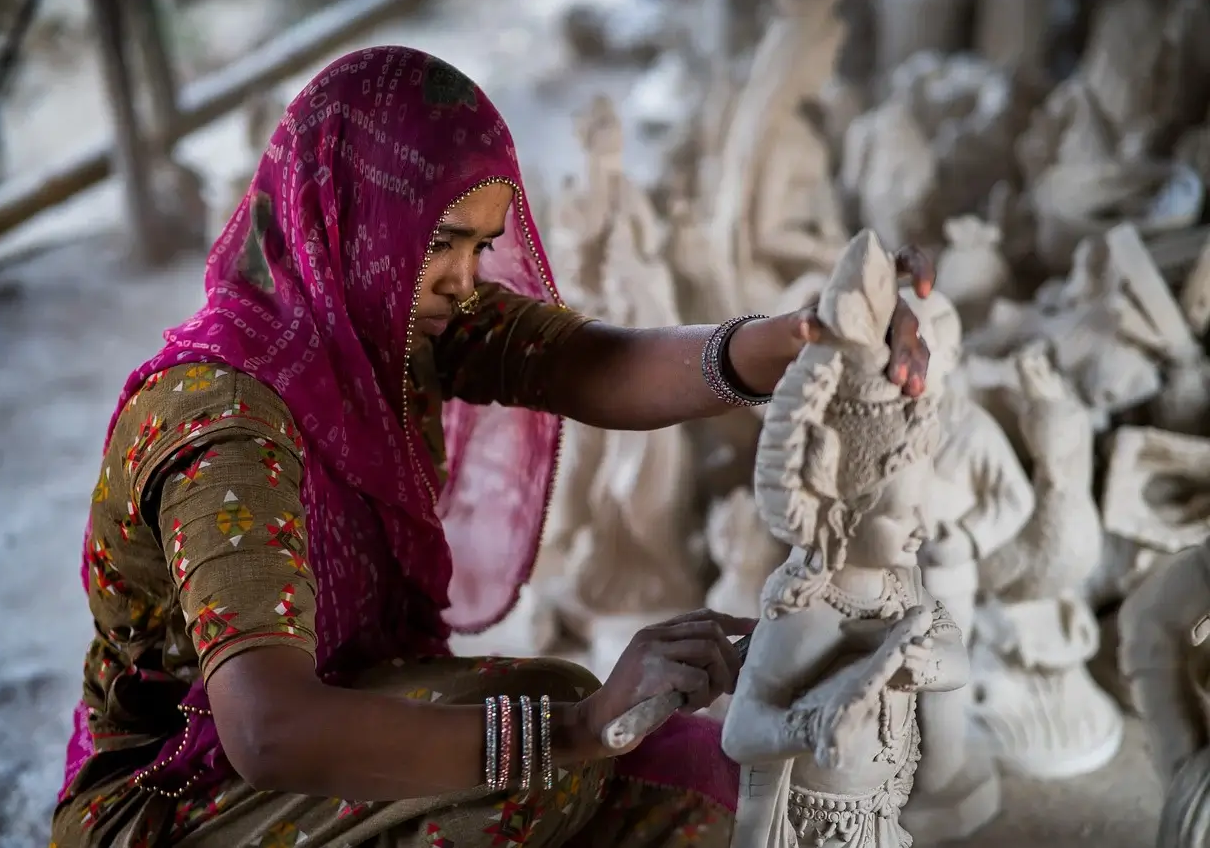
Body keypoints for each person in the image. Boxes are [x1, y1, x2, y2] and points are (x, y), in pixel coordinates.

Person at [50, 45, 934, 847]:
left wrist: (797, 338)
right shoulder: (223, 425)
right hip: (182, 790)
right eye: (443, 245)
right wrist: (574, 730)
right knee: (548, 745)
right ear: (353, 215)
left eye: (481, 247)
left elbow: (586, 363)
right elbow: (267, 729)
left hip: (332, 714)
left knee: (694, 779)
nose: (465, 281)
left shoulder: (386, 324)